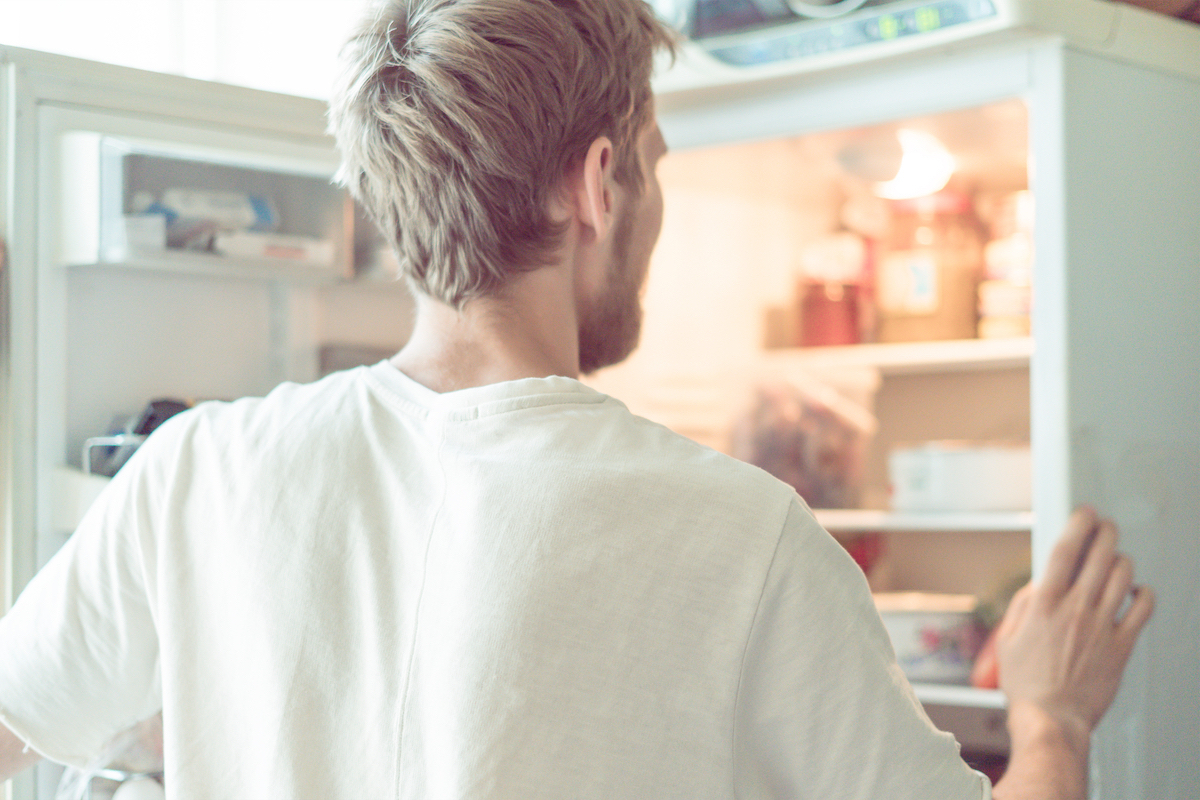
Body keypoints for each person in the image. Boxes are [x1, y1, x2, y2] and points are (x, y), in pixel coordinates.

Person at [0, 1, 1155, 798]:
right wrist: (1051, 712)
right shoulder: (739, 533)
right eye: (651, 157)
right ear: (598, 182)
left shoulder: (197, 468)